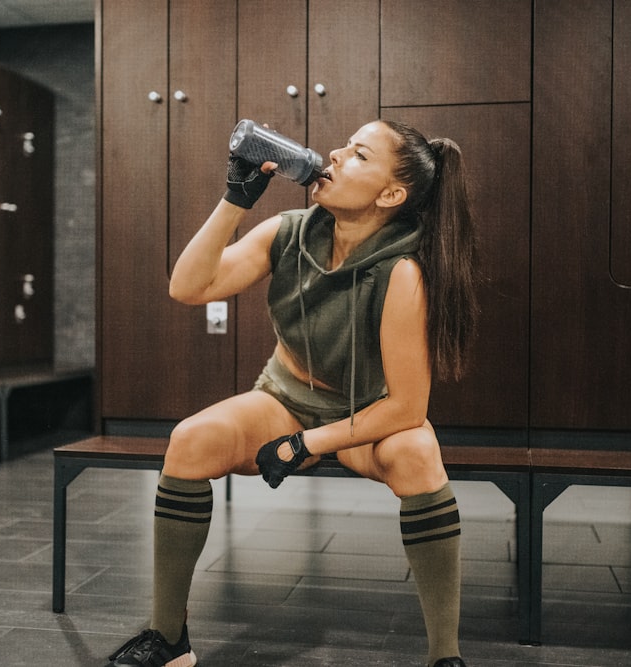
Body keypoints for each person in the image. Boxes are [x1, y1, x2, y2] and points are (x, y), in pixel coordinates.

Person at [105, 119, 478, 667]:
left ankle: (445, 657)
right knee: (189, 440)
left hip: (364, 416)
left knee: (419, 452)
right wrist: (236, 199)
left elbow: (406, 408)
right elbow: (187, 287)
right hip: (283, 400)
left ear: (391, 194)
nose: (335, 153)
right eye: (344, 145)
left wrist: (308, 446)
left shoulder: (402, 272)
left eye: (358, 154)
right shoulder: (289, 231)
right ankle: (168, 640)